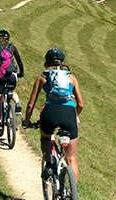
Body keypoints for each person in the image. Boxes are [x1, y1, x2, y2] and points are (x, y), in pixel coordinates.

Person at [23, 48, 84, 182]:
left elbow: (30, 105)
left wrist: (27, 121)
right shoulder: (71, 78)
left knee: (45, 138)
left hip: (50, 112)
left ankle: (49, 163)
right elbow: (80, 104)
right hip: (69, 113)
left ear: (47, 61)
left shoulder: (42, 77)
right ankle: (73, 196)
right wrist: (75, 115)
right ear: (62, 62)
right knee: (71, 158)